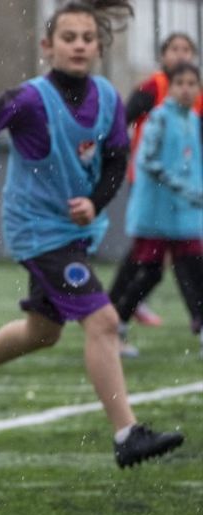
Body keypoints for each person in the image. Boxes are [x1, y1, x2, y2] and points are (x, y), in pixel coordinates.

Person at [0, 0, 185, 468]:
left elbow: (114, 161)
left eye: (88, 38)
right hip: (36, 231)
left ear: (98, 45)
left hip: (73, 231)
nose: (79, 45)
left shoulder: (107, 97)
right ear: (48, 46)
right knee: (104, 321)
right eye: (69, 37)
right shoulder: (28, 100)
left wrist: (96, 202)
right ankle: (127, 433)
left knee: (43, 331)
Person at [107, 31, 203, 343]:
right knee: (148, 266)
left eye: (192, 84)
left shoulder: (193, 117)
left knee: (191, 265)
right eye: (174, 49)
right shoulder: (157, 105)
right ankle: (115, 317)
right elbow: (146, 154)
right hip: (155, 202)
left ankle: (199, 325)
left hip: (184, 208)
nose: (186, 89)